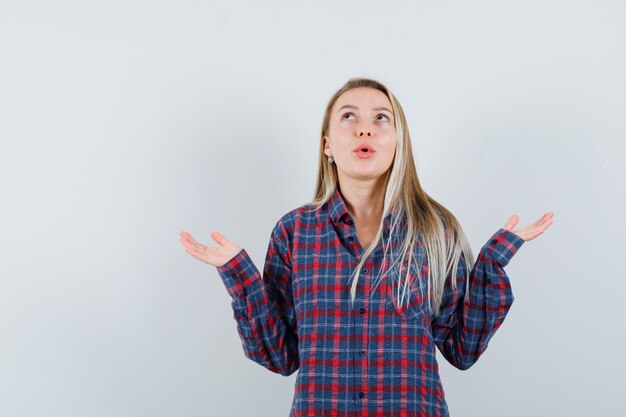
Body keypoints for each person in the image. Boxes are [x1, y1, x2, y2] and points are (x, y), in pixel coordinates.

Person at [179, 77, 554, 417]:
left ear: (398, 141)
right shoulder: (294, 232)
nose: (364, 129)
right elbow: (280, 357)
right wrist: (239, 274)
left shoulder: (436, 230)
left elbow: (462, 350)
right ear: (327, 144)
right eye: (348, 117)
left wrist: (491, 265)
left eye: (380, 118)